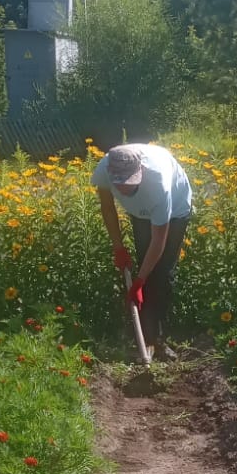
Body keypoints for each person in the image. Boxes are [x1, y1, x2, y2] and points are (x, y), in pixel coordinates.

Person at [91, 143, 193, 360]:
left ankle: (160, 342)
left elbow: (159, 241)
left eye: (130, 183)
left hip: (174, 211)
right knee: (143, 263)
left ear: (140, 172)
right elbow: (108, 208)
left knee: (162, 272)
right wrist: (118, 247)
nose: (125, 189)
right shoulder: (103, 170)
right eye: (121, 185)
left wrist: (139, 282)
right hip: (141, 212)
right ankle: (145, 339)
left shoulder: (159, 184)